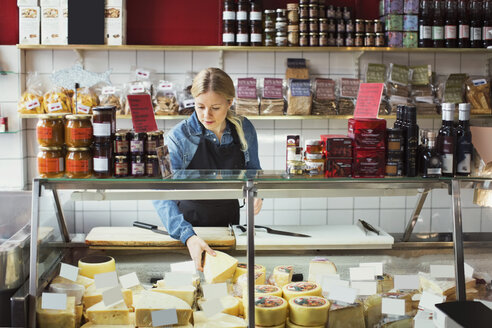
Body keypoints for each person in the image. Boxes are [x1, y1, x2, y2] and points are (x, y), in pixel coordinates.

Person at [153, 67, 263, 271]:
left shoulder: (244, 128)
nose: (206, 115)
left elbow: (253, 170)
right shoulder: (178, 137)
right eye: (200, 106)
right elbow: (160, 191)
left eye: (215, 107)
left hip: (229, 224)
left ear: (230, 103)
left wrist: (256, 193)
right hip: (189, 225)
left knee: (226, 287)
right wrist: (187, 236)